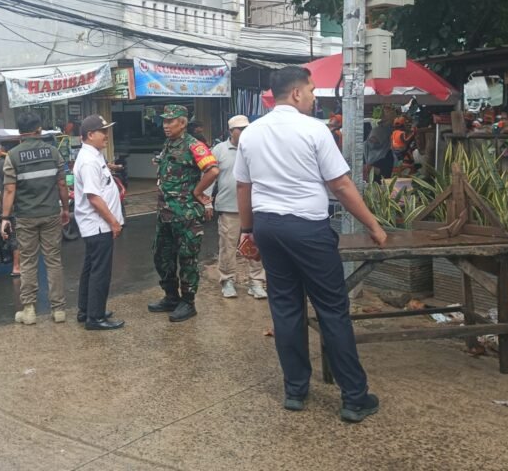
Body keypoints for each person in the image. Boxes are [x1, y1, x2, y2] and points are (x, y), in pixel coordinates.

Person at [234, 66, 387, 423]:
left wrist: (247, 230)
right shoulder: (314, 130)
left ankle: (295, 391)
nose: (314, 96)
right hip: (307, 228)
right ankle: (354, 398)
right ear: (297, 93)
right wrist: (373, 225)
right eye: (313, 90)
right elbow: (341, 185)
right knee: (332, 310)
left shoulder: (251, 133)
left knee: (285, 308)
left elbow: (243, 186)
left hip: (268, 227)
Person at [148, 105, 219, 322]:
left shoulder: (194, 145)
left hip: (186, 215)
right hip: (165, 214)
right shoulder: (169, 144)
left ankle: (188, 302)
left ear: (183, 123)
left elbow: (213, 170)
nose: (166, 125)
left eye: (171, 121)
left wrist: (197, 192)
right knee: (162, 257)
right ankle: (171, 297)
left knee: (187, 259)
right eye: (165, 121)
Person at [1, 112, 69, 325]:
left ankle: (29, 310)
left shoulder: (12, 156)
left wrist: (5, 217)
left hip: (26, 217)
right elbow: (62, 184)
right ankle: (58, 310)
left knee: (28, 262)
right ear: (39, 130)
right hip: (51, 214)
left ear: (20, 132)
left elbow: (9, 190)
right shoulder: (53, 152)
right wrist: (66, 209)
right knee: (53, 261)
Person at [205, 115, 267, 300]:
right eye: (241, 129)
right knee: (228, 246)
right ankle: (227, 280)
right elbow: (209, 176)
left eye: (247, 128)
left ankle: (256, 282)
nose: (245, 132)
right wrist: (206, 200)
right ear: (231, 131)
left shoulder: (256, 148)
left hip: (255, 206)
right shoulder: (219, 150)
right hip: (229, 206)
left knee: (256, 245)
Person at [73, 115, 125, 330]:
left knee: (91, 267)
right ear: (90, 135)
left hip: (96, 224)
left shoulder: (94, 155)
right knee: (100, 271)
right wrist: (113, 222)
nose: (106, 135)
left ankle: (86, 310)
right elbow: (94, 197)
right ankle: (95, 318)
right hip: (98, 224)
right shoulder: (88, 161)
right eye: (102, 131)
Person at [0, 143, 20, 278]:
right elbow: (10, 188)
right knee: (15, 235)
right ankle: (17, 267)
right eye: (3, 148)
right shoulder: (2, 164)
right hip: (3, 205)